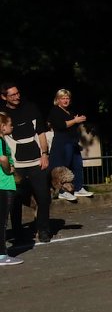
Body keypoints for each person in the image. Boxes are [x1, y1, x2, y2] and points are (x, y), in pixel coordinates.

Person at [1, 82, 52, 243]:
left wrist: (44, 154)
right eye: (12, 95)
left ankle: (43, 229)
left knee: (44, 196)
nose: (16, 97)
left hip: (36, 161)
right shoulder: (2, 114)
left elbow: (41, 132)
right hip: (16, 163)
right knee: (14, 199)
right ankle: (18, 231)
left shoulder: (31, 108)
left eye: (17, 93)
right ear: (4, 97)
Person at [46, 89, 93, 200]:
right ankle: (61, 190)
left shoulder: (70, 111)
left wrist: (78, 120)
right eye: (63, 98)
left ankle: (78, 188)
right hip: (62, 142)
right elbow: (60, 125)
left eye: (67, 98)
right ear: (58, 100)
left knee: (77, 164)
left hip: (72, 141)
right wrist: (74, 121)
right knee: (62, 167)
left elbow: (73, 124)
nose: (66, 100)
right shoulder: (55, 111)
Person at [0, 112, 23, 265]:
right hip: (4, 183)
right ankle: (2, 255)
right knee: (2, 221)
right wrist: (10, 170)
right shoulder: (1, 141)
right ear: (2, 127)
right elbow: (3, 159)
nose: (12, 126)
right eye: (10, 124)